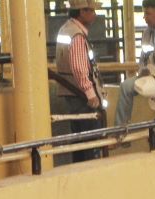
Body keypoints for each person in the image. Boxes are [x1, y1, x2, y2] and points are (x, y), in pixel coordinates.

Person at [55, 0, 106, 162]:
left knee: (78, 138)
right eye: (91, 11)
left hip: (70, 92)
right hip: (80, 95)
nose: (94, 15)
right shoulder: (77, 35)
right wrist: (90, 93)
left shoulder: (66, 29)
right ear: (82, 11)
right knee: (89, 140)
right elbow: (78, 67)